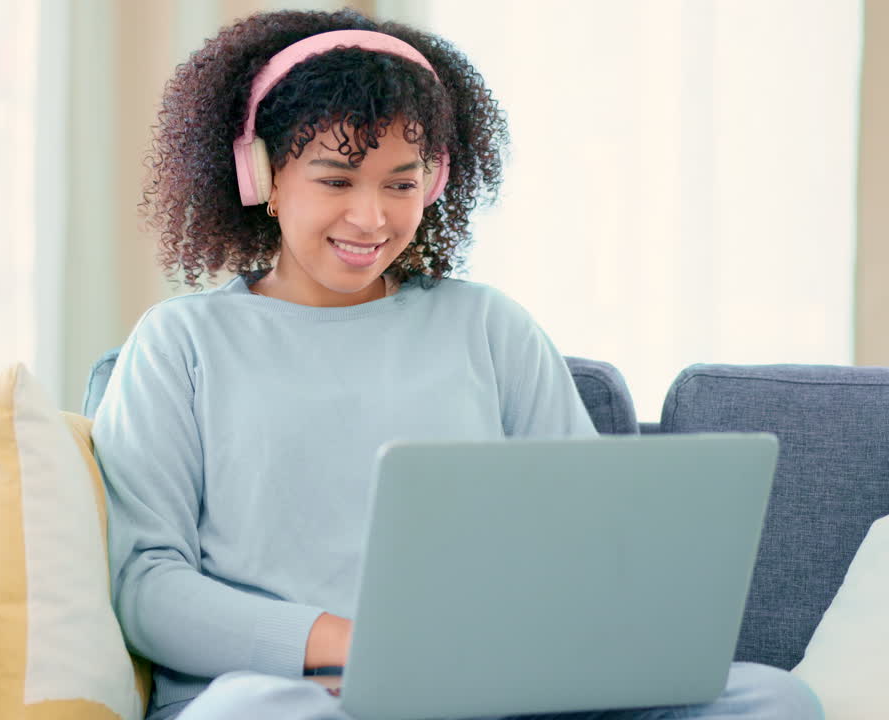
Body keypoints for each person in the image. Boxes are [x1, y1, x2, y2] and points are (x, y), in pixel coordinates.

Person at [91, 9, 823, 720]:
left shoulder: (489, 327)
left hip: (495, 693)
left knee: (772, 698)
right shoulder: (181, 342)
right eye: (336, 180)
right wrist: (350, 646)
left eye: (400, 183)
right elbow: (145, 587)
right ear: (263, 177)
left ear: (435, 183)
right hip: (287, 693)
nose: (372, 219)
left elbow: (590, 542)